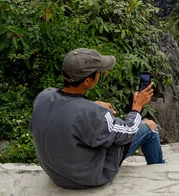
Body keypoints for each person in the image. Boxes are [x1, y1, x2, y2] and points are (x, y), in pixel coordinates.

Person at [28, 48, 164, 190]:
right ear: (87, 81)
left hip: (57, 175)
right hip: (88, 177)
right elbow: (129, 132)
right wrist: (137, 107)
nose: (101, 73)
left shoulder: (43, 97)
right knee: (149, 126)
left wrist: (93, 105)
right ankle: (160, 173)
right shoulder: (93, 114)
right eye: (99, 72)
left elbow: (64, 114)